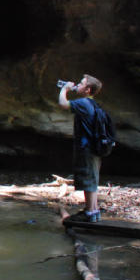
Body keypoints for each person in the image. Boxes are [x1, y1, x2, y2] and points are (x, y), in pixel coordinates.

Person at [58, 74, 104, 223]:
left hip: (86, 148)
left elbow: (63, 104)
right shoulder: (93, 104)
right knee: (93, 179)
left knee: (88, 179)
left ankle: (90, 212)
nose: (78, 84)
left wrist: (64, 89)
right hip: (95, 148)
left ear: (87, 89)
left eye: (81, 83)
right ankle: (93, 210)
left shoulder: (84, 103)